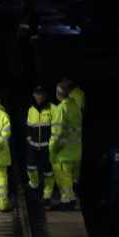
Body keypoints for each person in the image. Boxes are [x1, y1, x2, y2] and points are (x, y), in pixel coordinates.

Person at [49, 80, 82, 210]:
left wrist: (51, 148)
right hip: (75, 150)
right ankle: (70, 199)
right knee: (68, 176)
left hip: (62, 151)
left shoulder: (61, 109)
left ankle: (67, 201)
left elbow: (57, 133)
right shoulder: (76, 108)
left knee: (63, 177)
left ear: (58, 93)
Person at [25, 85, 56, 208]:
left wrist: (52, 144)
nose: (40, 96)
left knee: (48, 172)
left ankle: (47, 196)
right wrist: (29, 140)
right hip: (33, 146)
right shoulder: (31, 110)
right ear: (34, 95)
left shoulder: (53, 109)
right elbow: (28, 127)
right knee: (30, 166)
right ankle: (34, 184)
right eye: (38, 94)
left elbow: (56, 128)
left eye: (42, 94)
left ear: (45, 95)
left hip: (47, 147)